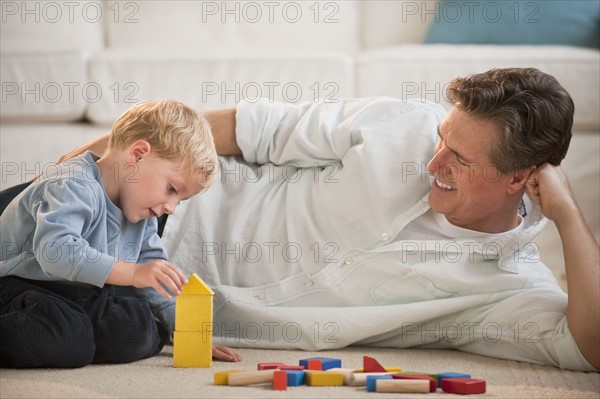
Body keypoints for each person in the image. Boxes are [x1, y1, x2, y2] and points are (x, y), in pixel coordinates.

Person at [30, 68, 600, 371]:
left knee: (46, 336)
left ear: (524, 180)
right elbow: (248, 126)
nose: (433, 163)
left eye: (461, 159)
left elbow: (591, 352)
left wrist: (569, 219)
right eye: (442, 139)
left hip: (148, 310)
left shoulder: (508, 287)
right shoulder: (399, 124)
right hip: (144, 216)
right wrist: (93, 159)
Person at [0, 100, 240, 368]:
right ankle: (72, 340)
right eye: (172, 189)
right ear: (138, 154)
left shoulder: (141, 211)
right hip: (21, 286)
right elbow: (56, 252)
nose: (170, 209)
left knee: (131, 330)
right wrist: (135, 273)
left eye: (180, 200)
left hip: (77, 295)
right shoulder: (72, 183)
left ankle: (83, 338)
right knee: (67, 339)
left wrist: (188, 333)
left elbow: (157, 278)